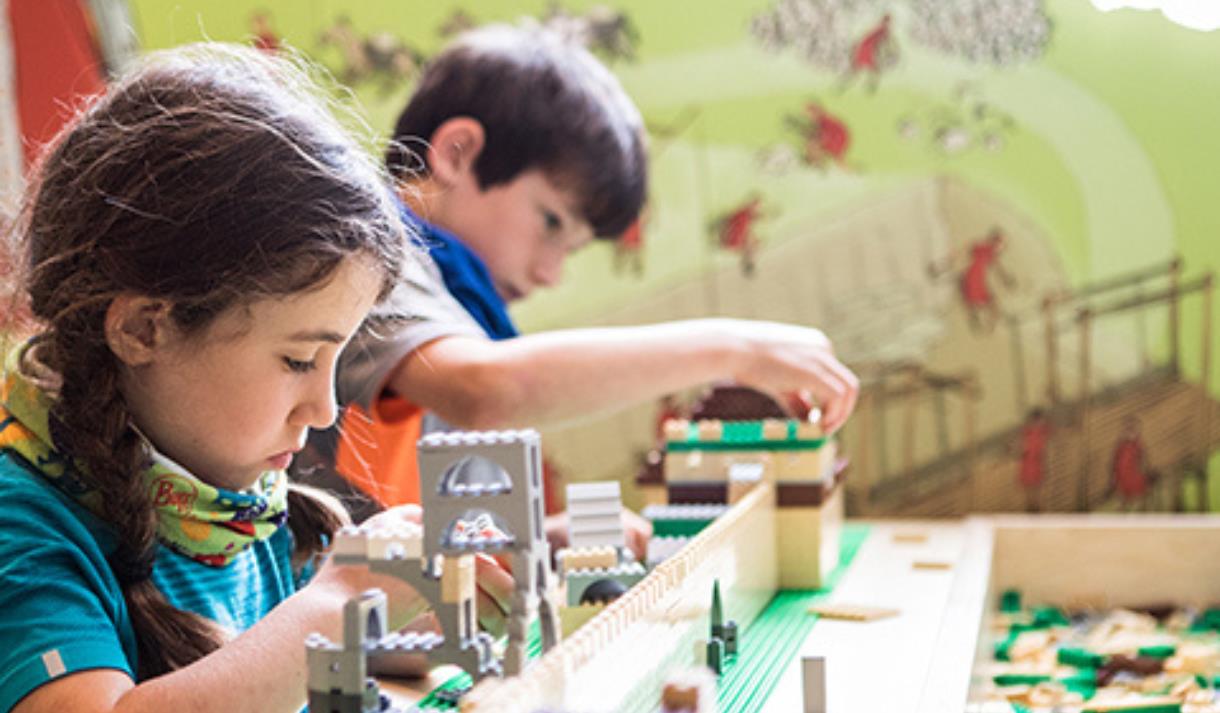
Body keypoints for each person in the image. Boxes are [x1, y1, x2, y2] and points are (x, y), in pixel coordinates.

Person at [0, 44, 512, 713]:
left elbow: (301, 683)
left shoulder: (236, 503)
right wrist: (345, 597)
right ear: (143, 329)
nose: (324, 409)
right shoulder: (24, 528)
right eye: (300, 359)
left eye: (336, 360)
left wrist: (432, 607)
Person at [299, 25, 859, 551]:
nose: (549, 274)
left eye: (570, 249)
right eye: (550, 224)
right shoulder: (373, 253)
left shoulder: (457, 312)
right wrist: (735, 350)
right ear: (457, 153)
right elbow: (483, 391)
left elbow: (428, 528)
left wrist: (540, 543)